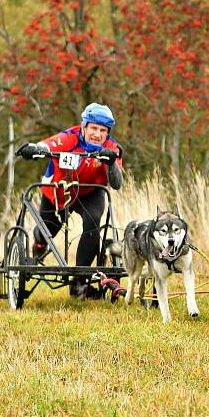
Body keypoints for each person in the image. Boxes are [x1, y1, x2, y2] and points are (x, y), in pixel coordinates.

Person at [18, 103, 123, 298]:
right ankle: (39, 246)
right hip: (58, 191)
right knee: (47, 231)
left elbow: (117, 183)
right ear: (84, 126)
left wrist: (110, 164)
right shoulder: (69, 138)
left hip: (90, 192)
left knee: (93, 222)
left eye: (103, 131)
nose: (98, 134)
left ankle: (79, 281)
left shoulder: (111, 148)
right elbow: (47, 145)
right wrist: (33, 149)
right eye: (93, 128)